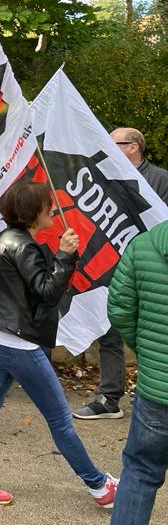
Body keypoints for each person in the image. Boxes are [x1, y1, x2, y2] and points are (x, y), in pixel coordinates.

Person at [0, 180, 118, 507]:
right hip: (18, 344)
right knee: (59, 418)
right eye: (49, 205)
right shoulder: (24, 246)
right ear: (34, 213)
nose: (54, 210)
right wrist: (65, 255)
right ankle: (100, 487)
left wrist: (61, 256)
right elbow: (47, 293)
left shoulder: (1, 239)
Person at [87, 217, 168, 525]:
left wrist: (150, 356)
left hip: (156, 393)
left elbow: (120, 310)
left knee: (139, 474)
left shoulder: (144, 246)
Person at [74, 127, 168, 421]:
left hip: (153, 272)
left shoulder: (161, 179)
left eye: (116, 143)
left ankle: (152, 395)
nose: (110, 148)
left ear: (133, 147)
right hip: (114, 269)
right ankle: (109, 397)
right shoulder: (104, 177)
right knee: (109, 330)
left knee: (154, 336)